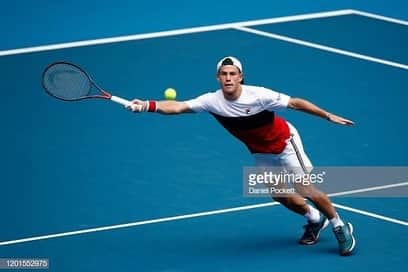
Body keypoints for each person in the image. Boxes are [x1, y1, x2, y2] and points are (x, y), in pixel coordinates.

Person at [127, 56, 356, 256]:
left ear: (240, 77)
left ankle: (339, 226)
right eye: (224, 74)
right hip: (261, 151)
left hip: (286, 143)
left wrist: (327, 116)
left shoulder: (259, 95)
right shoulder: (211, 101)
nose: (228, 78)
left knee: (306, 189)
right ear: (218, 77)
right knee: (280, 196)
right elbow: (177, 107)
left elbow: (295, 103)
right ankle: (315, 219)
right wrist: (146, 105)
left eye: (232, 74)